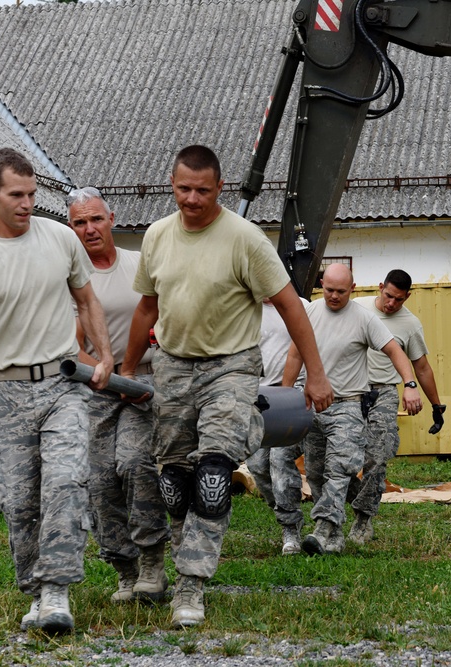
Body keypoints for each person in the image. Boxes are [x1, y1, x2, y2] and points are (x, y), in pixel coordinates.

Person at [120, 145, 332, 629]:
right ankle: (182, 562)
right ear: (171, 185)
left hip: (231, 369)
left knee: (214, 476)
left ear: (220, 188)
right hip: (171, 367)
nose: (191, 199)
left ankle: (190, 586)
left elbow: (291, 306)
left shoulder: (245, 239)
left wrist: (315, 374)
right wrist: (131, 369)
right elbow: (146, 309)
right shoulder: (156, 237)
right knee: (174, 482)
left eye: (201, 190)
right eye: (182, 189)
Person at [0, 148, 114, 635]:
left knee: (67, 479)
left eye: (33, 194)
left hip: (62, 385)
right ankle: (35, 589)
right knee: (20, 499)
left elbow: (86, 298)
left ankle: (57, 592)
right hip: (5, 395)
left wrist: (106, 354)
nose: (28, 203)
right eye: (16, 195)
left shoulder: (60, 238)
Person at [66, 187, 171, 604]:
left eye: (95, 219)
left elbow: (164, 316)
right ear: (71, 228)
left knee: (133, 463)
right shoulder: (69, 277)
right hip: (94, 386)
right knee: (99, 479)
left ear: (112, 217)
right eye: (79, 222)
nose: (89, 229)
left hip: (143, 383)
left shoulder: (139, 264)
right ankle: (124, 570)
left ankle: (152, 563)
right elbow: (70, 345)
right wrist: (108, 375)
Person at [283, 263, 422, 556]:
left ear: (353, 289)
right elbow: (295, 353)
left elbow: (395, 350)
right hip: (314, 407)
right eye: (329, 290)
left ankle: (322, 529)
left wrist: (409, 383)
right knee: (317, 473)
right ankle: (334, 538)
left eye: (341, 291)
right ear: (322, 285)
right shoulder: (309, 313)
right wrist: (285, 395)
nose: (334, 296)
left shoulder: (364, 318)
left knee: (339, 469)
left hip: (347, 406)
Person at [349, 270, 446, 544]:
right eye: (388, 296)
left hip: (384, 393)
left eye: (399, 300)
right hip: (349, 392)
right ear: (380, 287)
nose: (391, 304)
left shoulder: (410, 324)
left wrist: (436, 405)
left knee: (377, 457)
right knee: (344, 459)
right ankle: (354, 498)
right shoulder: (357, 308)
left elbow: (422, 368)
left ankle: (363, 520)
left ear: (408, 297)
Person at [245, 299, 307, 555]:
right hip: (259, 396)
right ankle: (286, 511)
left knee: (280, 461)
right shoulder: (244, 308)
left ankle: (290, 530)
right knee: (257, 465)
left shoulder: (299, 306)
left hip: (293, 394)